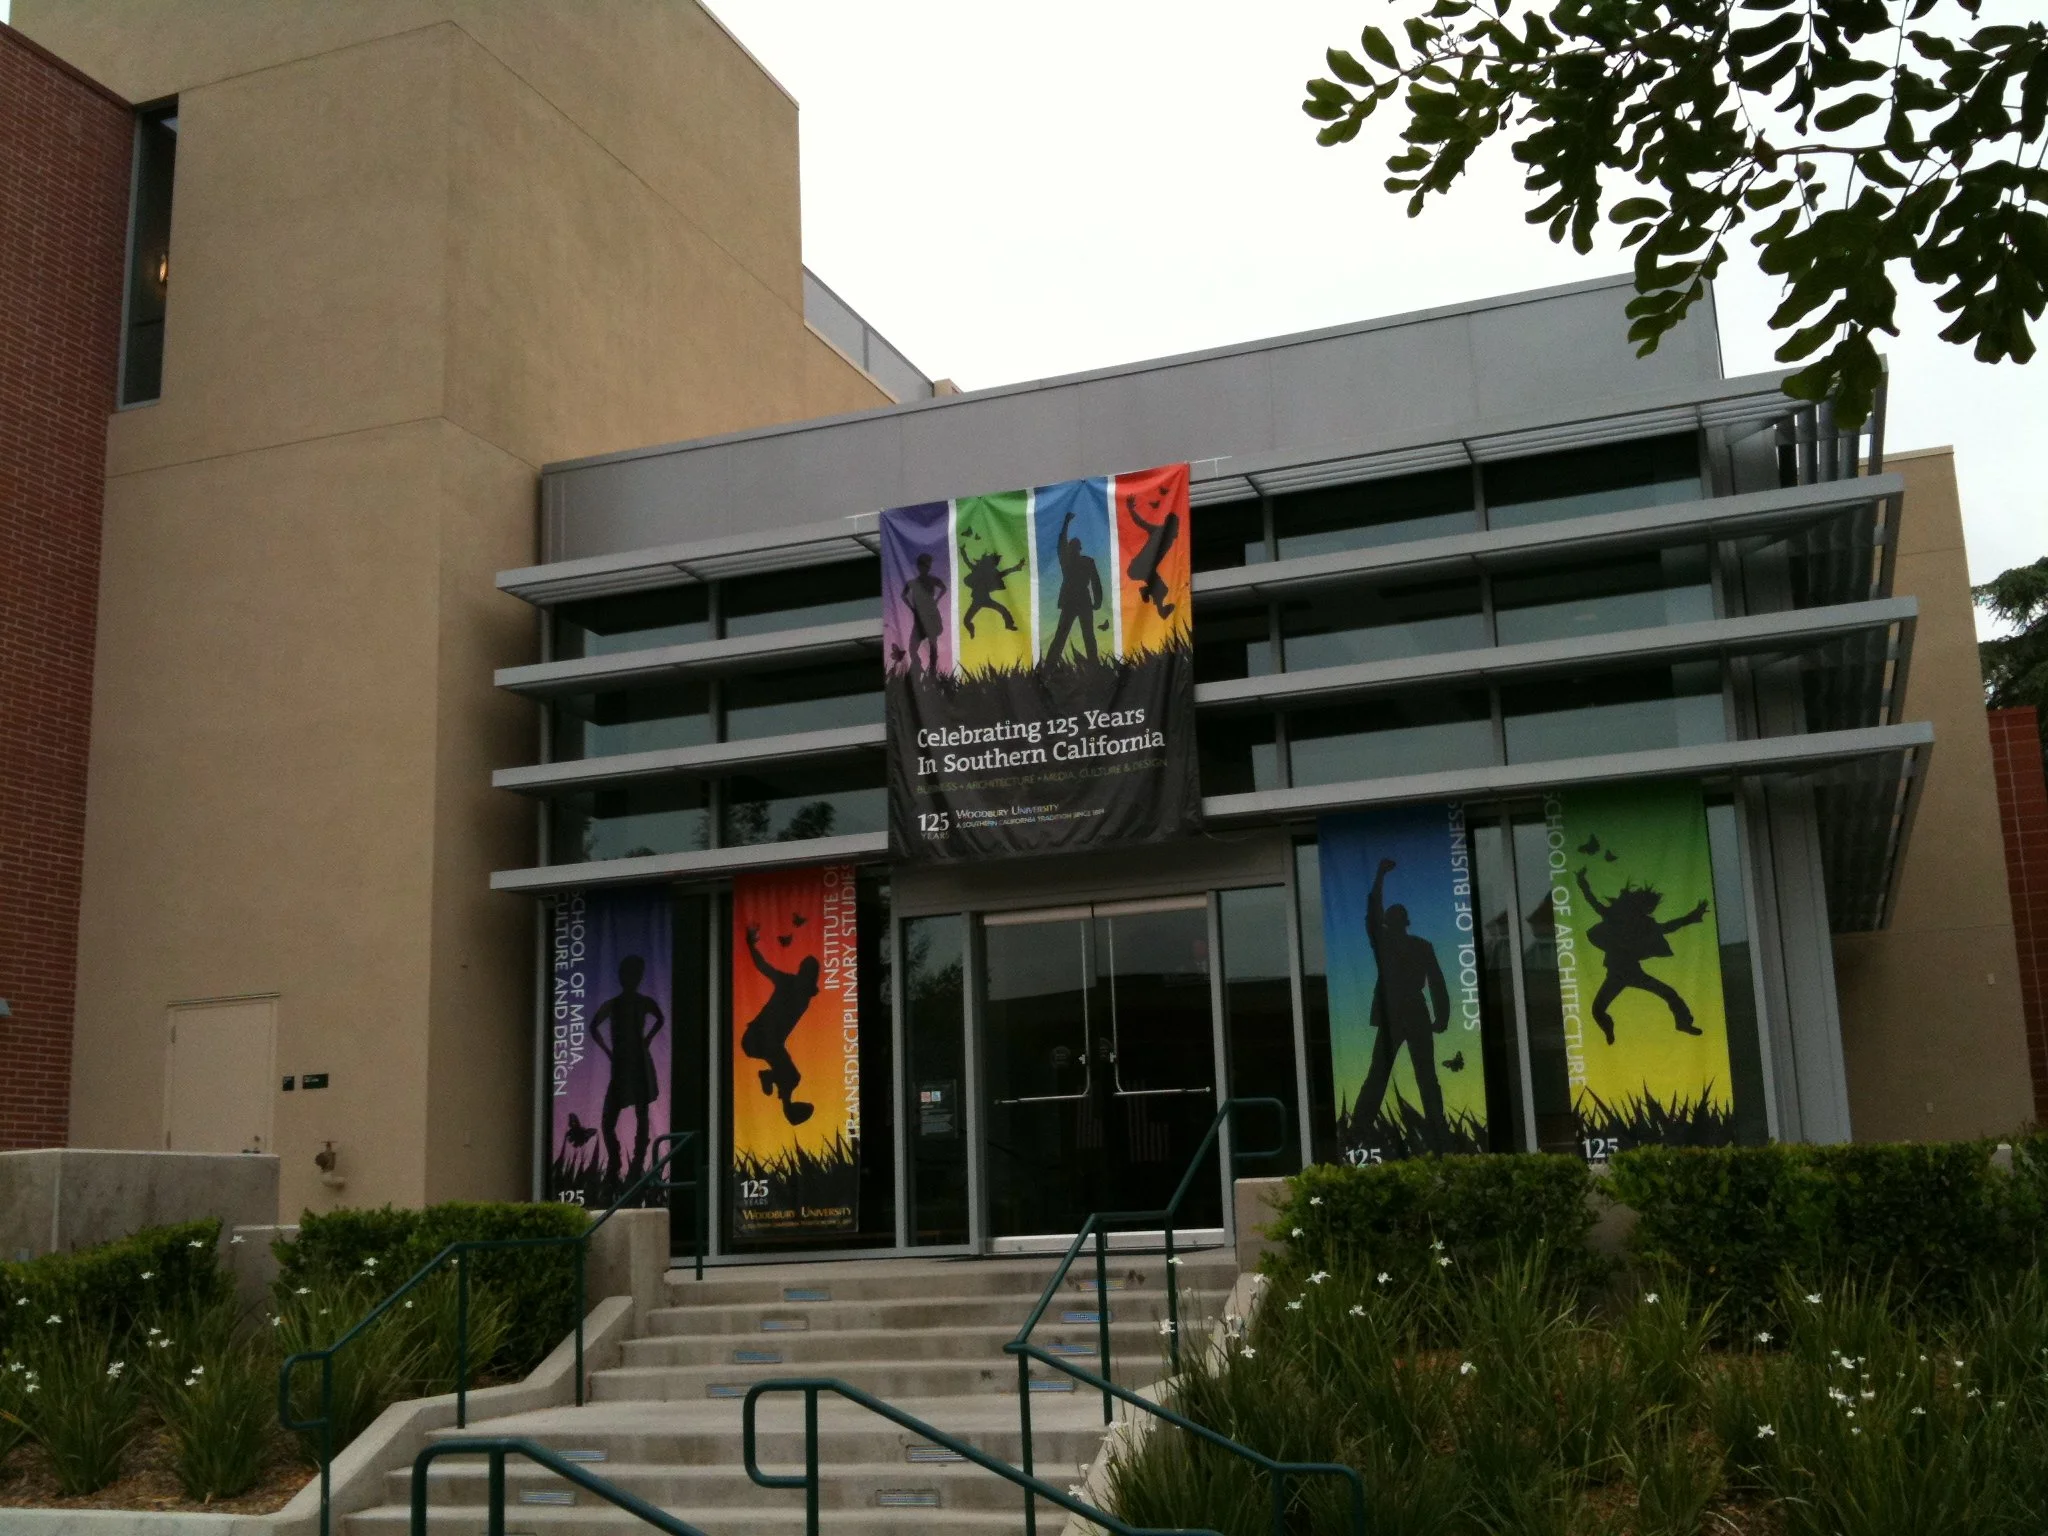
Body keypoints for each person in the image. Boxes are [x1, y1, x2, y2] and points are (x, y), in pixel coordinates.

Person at [1354, 857, 1451, 1147]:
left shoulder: (1404, 944)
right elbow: (1437, 982)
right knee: (1405, 1074)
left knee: (1404, 1074)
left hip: (1403, 1011)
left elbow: (1436, 981)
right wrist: (1441, 1016)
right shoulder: (1406, 944)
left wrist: (1442, 1016)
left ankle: (1361, 1129)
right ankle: (1359, 1129)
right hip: (1400, 1012)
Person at [1575, 868, 1709, 1043]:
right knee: (1598, 1010)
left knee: (1669, 994)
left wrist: (1690, 918)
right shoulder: (1615, 917)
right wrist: (1582, 883)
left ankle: (1683, 1023)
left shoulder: (1644, 924)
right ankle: (1608, 1026)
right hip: (1618, 973)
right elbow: (1592, 901)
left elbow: (1667, 927)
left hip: (1631, 972)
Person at [589, 954, 665, 1185]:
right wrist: (608, 1052)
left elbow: (659, 1019)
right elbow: (594, 1027)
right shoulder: (614, 1004)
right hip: (622, 1064)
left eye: (636, 974)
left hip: (639, 1062)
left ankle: (637, 1163)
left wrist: (648, 1039)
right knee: (609, 1119)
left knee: (641, 1113)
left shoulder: (644, 1002)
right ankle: (615, 1161)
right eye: (629, 973)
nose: (632, 978)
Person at [739, 923, 821, 1125]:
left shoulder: (804, 991)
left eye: (808, 973)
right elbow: (763, 966)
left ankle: (782, 1097)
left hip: (770, 1043)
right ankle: (769, 1077)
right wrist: (751, 946)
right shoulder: (789, 982)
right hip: (757, 1039)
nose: (804, 975)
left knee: (792, 1078)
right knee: (791, 1077)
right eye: (804, 971)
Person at [1045, 509, 1103, 662]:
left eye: (1074, 547)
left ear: (1076, 549)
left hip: (1080, 601)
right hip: (1073, 602)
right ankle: (1050, 665)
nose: (1072, 549)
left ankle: (1093, 665)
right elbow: (1061, 543)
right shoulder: (1070, 561)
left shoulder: (1082, 562)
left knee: (1086, 635)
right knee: (1063, 636)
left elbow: (1095, 582)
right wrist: (1065, 523)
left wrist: (1098, 601)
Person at [1123, 493, 1181, 620]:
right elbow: (1140, 523)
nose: (1177, 528)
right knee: (1162, 589)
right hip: (1139, 567)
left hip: (1145, 570)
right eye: (1176, 525)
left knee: (1163, 589)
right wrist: (1130, 509)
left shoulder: (1169, 537)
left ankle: (1153, 600)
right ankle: (1146, 592)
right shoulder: (1159, 531)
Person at [959, 541, 1025, 640]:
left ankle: (1008, 624)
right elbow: (967, 561)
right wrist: (962, 551)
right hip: (978, 601)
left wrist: (1017, 567)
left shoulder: (990, 574)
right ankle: (971, 628)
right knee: (966, 621)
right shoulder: (978, 570)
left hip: (984, 599)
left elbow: (1005, 572)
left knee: (1003, 610)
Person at [900, 552, 947, 673]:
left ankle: (932, 670)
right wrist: (911, 607)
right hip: (920, 617)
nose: (926, 567)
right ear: (919, 566)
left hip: (930, 615)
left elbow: (944, 588)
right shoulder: (913, 582)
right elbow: (903, 596)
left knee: (933, 644)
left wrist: (936, 600)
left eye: (927, 565)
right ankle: (919, 666)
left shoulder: (932, 580)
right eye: (923, 565)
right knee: (913, 647)